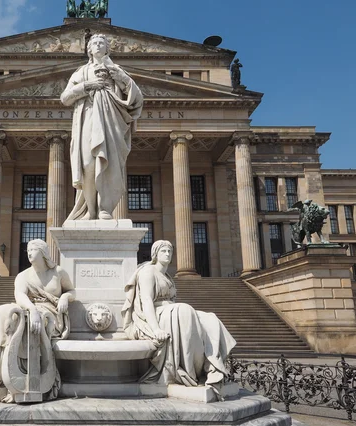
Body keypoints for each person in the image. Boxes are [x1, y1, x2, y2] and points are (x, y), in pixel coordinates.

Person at [0, 239, 75, 400]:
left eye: (33, 250)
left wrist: (65, 296)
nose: (29, 253)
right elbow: (20, 295)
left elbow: (72, 290)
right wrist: (32, 309)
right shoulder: (23, 276)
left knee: (17, 321)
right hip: (30, 309)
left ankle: (17, 378)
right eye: (28, 250)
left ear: (43, 252)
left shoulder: (58, 272)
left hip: (51, 315)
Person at [122, 241, 236, 396]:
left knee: (210, 318)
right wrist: (155, 329)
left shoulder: (167, 276)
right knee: (184, 310)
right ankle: (190, 371)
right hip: (155, 314)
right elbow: (146, 301)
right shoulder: (148, 271)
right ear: (155, 253)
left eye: (170, 251)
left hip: (171, 312)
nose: (168, 254)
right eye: (164, 251)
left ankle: (211, 367)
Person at [61, 33, 143, 220]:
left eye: (101, 43)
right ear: (89, 49)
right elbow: (65, 98)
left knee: (110, 165)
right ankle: (90, 210)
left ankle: (105, 207)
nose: (98, 46)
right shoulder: (81, 72)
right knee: (88, 164)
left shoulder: (117, 70)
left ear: (107, 48)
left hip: (111, 122)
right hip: (88, 119)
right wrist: (86, 86)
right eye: (94, 43)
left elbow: (137, 98)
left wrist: (122, 78)